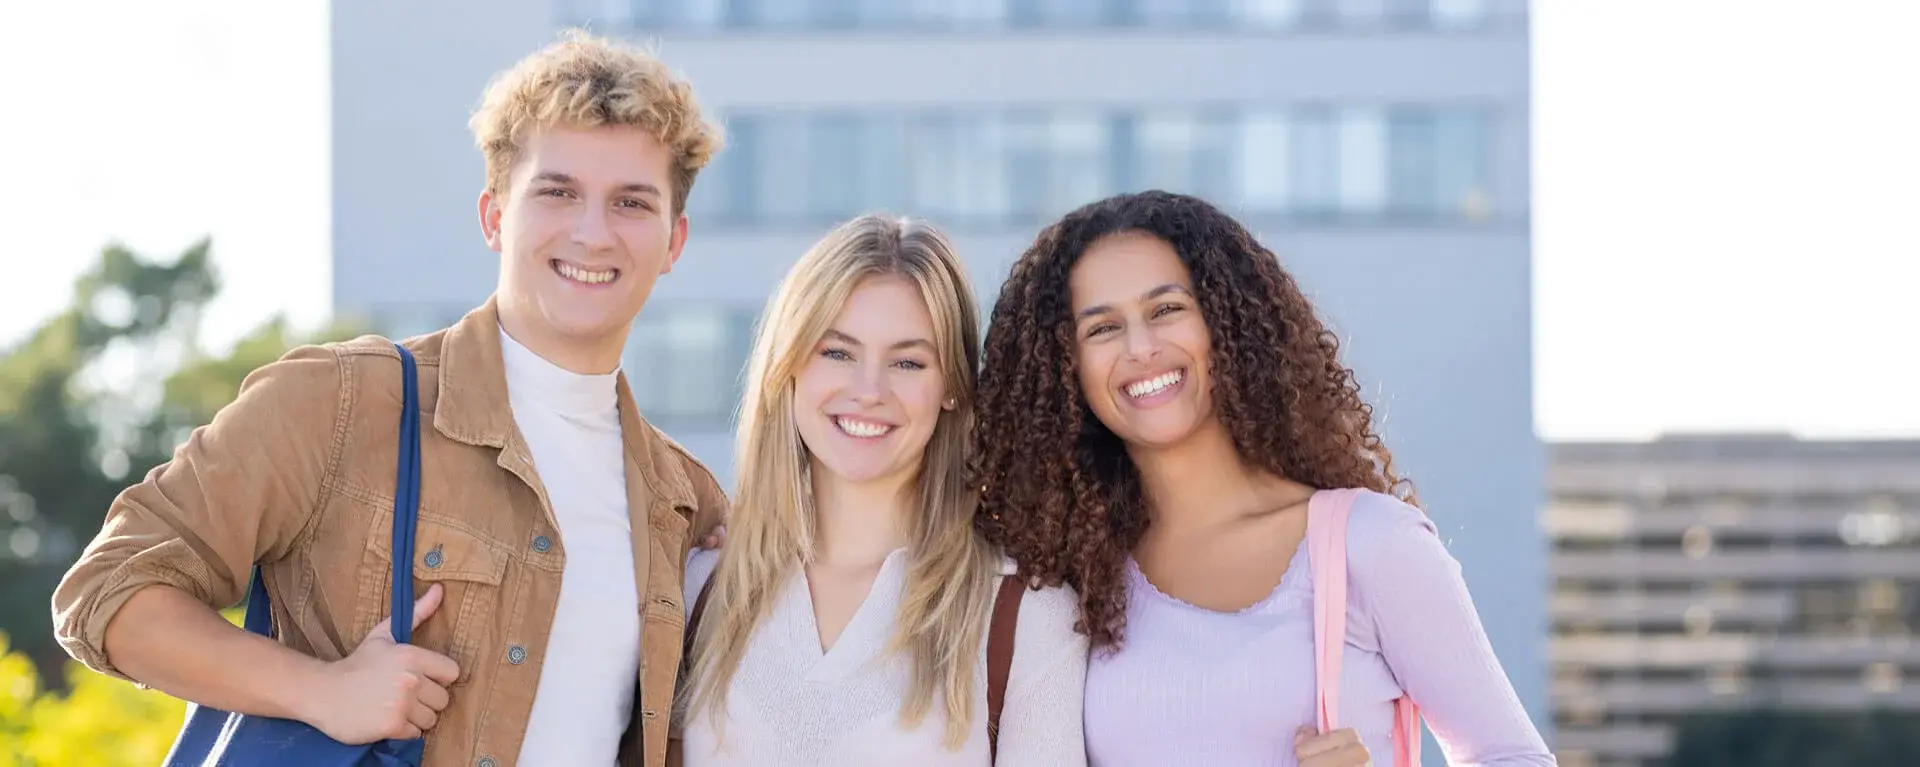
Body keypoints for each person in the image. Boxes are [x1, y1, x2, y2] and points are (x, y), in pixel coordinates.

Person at [50, 30, 728, 767]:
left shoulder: (684, 502)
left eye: (631, 202)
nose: (592, 233)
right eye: (557, 192)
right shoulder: (342, 403)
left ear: (674, 241)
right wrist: (321, 689)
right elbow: (107, 592)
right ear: (495, 215)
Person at [969, 190, 1557, 766]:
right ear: (1064, 367)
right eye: (1101, 328)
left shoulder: (1369, 545)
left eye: (1167, 309)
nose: (1141, 347)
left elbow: (1515, 756)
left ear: (1226, 323)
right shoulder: (1073, 577)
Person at [670, 214, 1088, 767]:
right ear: (787, 365)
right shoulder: (698, 589)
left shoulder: (1022, 613)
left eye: (908, 362)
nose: (869, 390)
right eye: (837, 352)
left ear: (951, 388)